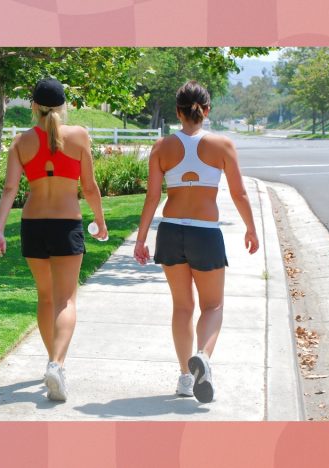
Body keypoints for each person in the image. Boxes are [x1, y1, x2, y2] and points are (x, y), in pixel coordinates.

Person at [134, 80, 259, 403]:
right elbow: (239, 193)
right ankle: (203, 355)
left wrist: (141, 239)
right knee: (213, 305)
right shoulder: (222, 145)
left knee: (182, 306)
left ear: (178, 111)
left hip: (171, 231)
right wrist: (250, 228)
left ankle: (185, 377)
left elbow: (151, 198)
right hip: (205, 232)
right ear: (207, 110)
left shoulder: (162, 148)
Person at [0, 77, 107, 402]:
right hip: (66, 224)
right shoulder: (80, 135)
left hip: (33, 225)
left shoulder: (21, 143)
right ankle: (56, 363)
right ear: (63, 106)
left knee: (44, 298)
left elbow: (11, 190)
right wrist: (99, 220)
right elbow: (90, 187)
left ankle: (54, 363)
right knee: (66, 300)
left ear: (33, 106)